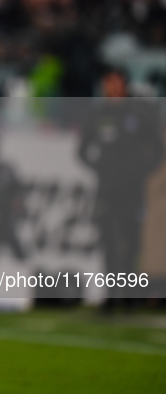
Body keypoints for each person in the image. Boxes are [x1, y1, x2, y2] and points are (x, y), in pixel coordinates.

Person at [79, 68, 163, 312]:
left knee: (132, 239)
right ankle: (111, 294)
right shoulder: (99, 114)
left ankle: (129, 294)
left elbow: (157, 149)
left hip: (132, 190)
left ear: (124, 84)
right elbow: (83, 150)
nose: (111, 87)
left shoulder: (138, 113)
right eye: (107, 83)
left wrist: (141, 171)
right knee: (108, 240)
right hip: (106, 190)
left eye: (115, 82)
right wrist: (101, 168)